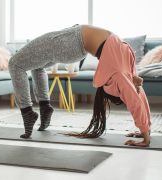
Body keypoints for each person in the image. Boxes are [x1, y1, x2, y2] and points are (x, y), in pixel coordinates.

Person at [8, 24, 151, 147]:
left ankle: (27, 112)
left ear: (112, 88)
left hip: (72, 41)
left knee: (15, 64)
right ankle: (45, 107)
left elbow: (133, 101)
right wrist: (146, 129)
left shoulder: (118, 76)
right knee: (37, 65)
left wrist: (145, 138)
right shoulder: (128, 69)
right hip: (73, 41)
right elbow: (138, 94)